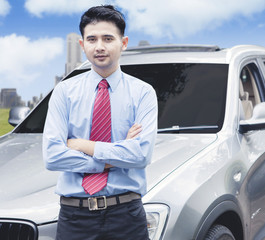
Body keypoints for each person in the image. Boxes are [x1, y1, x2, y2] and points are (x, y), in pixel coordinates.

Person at [42, 5, 158, 240]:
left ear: (123, 42)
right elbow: (53, 156)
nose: (100, 46)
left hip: (126, 214)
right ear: (82, 45)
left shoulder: (143, 93)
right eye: (92, 39)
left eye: (108, 38)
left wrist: (84, 145)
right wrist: (113, 157)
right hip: (75, 217)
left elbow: (141, 155)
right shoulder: (64, 92)